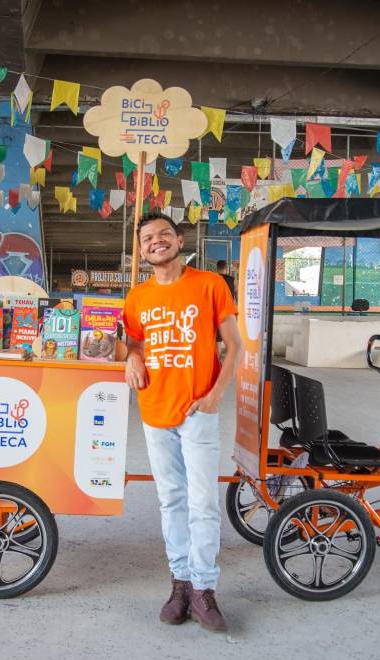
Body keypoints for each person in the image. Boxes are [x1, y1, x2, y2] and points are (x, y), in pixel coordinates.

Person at [123, 213, 243, 633]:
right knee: (171, 500)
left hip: (197, 412)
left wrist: (214, 396)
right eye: (148, 238)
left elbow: (236, 346)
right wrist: (132, 357)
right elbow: (134, 341)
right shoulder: (137, 296)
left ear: (179, 240)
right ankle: (180, 584)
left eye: (163, 235)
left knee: (203, 501)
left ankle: (204, 589)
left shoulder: (210, 284)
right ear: (142, 249)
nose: (156, 242)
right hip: (154, 411)